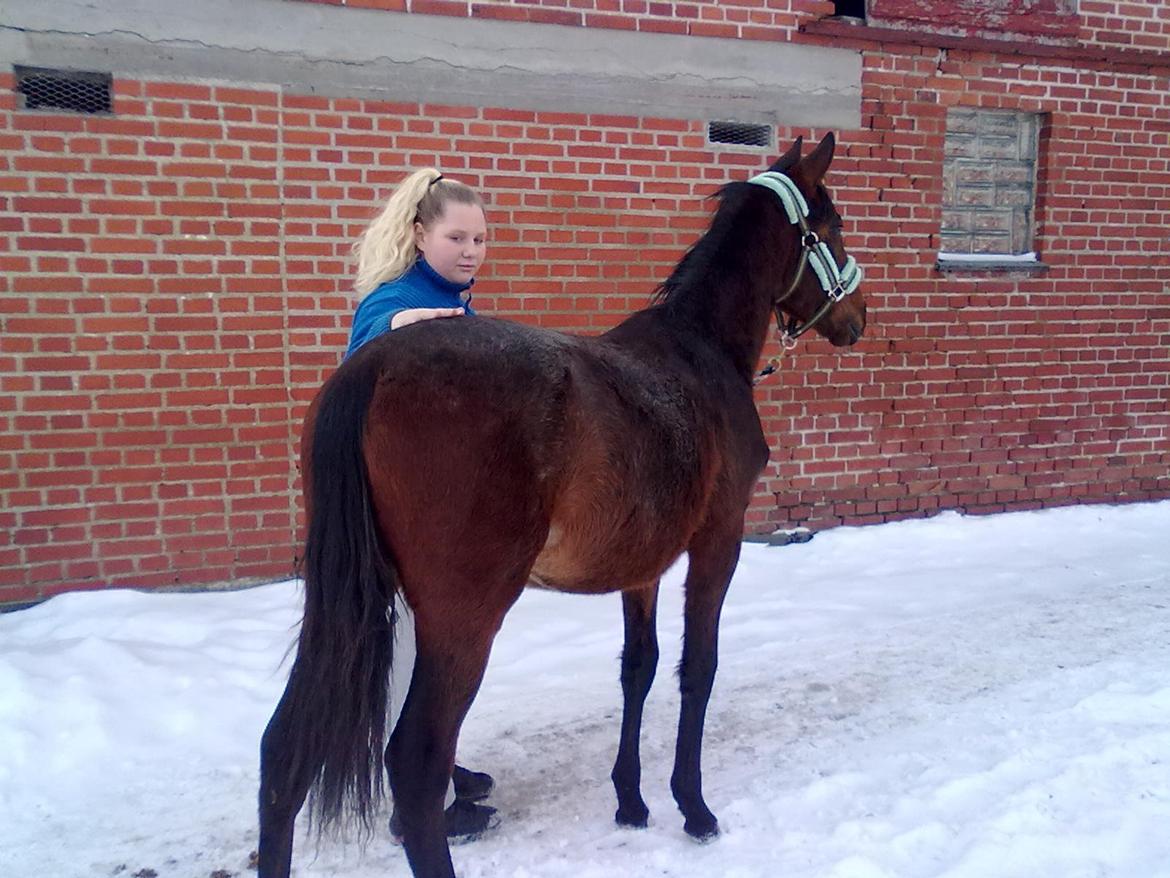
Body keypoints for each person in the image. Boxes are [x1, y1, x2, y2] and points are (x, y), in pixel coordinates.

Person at [346, 167, 497, 841]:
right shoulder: (400, 300)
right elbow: (376, 332)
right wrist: (404, 324)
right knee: (415, 650)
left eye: (481, 239)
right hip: (402, 519)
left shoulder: (454, 302)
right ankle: (416, 807)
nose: (470, 251)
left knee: (438, 649)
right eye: (456, 237)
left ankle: (436, 761)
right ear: (418, 234)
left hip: (444, 512)